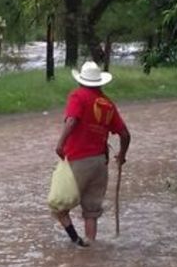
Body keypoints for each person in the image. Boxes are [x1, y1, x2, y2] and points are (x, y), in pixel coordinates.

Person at [53, 60, 130, 246]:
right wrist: (122, 155)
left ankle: (76, 241)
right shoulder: (108, 104)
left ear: (80, 81)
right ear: (100, 83)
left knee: (58, 207)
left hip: (78, 160)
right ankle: (91, 247)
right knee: (91, 212)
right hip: (100, 164)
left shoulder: (78, 96)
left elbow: (71, 121)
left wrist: (60, 144)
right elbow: (125, 134)